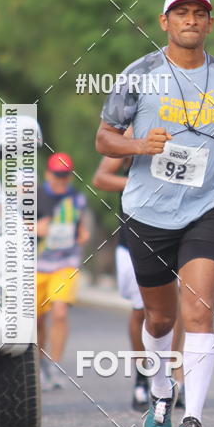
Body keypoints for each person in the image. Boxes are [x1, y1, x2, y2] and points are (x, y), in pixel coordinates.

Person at [95, 0, 214, 427]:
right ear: (164, 22)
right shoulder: (139, 76)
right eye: (180, 13)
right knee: (160, 318)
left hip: (206, 207)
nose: (190, 20)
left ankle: (194, 420)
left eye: (199, 14)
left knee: (199, 313)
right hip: (147, 212)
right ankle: (161, 391)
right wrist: (138, 146)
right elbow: (104, 138)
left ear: (210, 23)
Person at [92, 151, 151, 412]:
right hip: (134, 242)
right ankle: (142, 378)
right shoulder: (134, 135)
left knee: (177, 312)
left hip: (177, 238)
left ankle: (173, 378)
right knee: (142, 311)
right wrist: (141, 184)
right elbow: (101, 178)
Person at [37, 152, 89, 389]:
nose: (61, 180)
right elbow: (12, 225)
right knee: (36, 319)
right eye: (57, 175)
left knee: (59, 312)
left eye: (65, 176)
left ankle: (55, 366)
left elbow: (81, 227)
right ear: (48, 174)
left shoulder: (76, 199)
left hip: (64, 264)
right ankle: (38, 366)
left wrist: (82, 234)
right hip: (35, 266)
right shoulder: (33, 196)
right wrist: (35, 228)